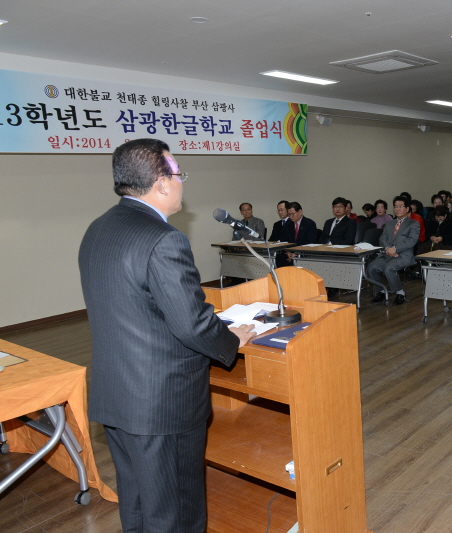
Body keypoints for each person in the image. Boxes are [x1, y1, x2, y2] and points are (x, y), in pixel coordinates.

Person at [78, 138, 256, 533]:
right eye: (179, 175)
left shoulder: (98, 228)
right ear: (161, 182)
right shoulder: (164, 239)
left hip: (117, 395)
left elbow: (140, 311)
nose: (181, 183)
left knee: (141, 505)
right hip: (163, 405)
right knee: (176, 512)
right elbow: (191, 323)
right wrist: (232, 340)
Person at [367, 196, 420, 305]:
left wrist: (395, 249)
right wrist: (388, 249)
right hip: (387, 254)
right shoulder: (389, 224)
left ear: (407, 209)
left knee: (389, 268)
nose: (398, 209)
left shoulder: (413, 224)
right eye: (395, 207)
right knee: (371, 267)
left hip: (404, 255)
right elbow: (382, 238)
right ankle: (381, 291)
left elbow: (411, 241)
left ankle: (400, 293)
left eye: (401, 206)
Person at [278, 202, 317, 267]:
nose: (291, 216)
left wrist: (297, 253)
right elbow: (283, 240)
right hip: (289, 252)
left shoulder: (309, 224)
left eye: (293, 214)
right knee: (279, 258)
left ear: (300, 211)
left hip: (303, 252)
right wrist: (287, 252)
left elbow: (310, 243)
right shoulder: (288, 224)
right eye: (289, 214)